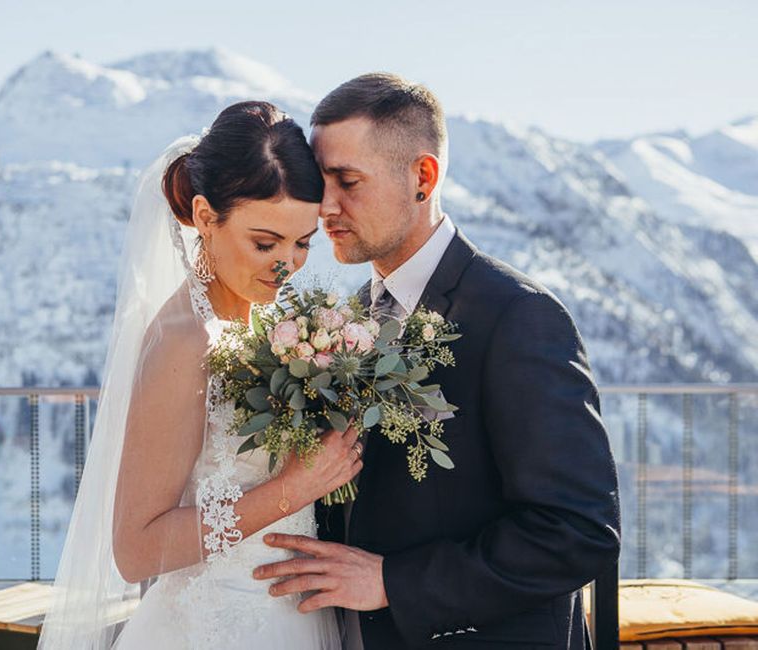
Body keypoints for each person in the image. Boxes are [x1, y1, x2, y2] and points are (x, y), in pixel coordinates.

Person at [254, 73, 622, 649]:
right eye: (320, 182)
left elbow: (577, 532)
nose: (325, 206)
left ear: (422, 177)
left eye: (348, 181)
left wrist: (391, 583)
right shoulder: (342, 319)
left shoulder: (519, 317)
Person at [37, 101, 356, 650]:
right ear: (207, 218)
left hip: (292, 618)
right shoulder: (183, 340)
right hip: (216, 629)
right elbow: (136, 549)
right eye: (265, 242)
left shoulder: (267, 317)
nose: (286, 266)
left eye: (303, 243)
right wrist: (292, 489)